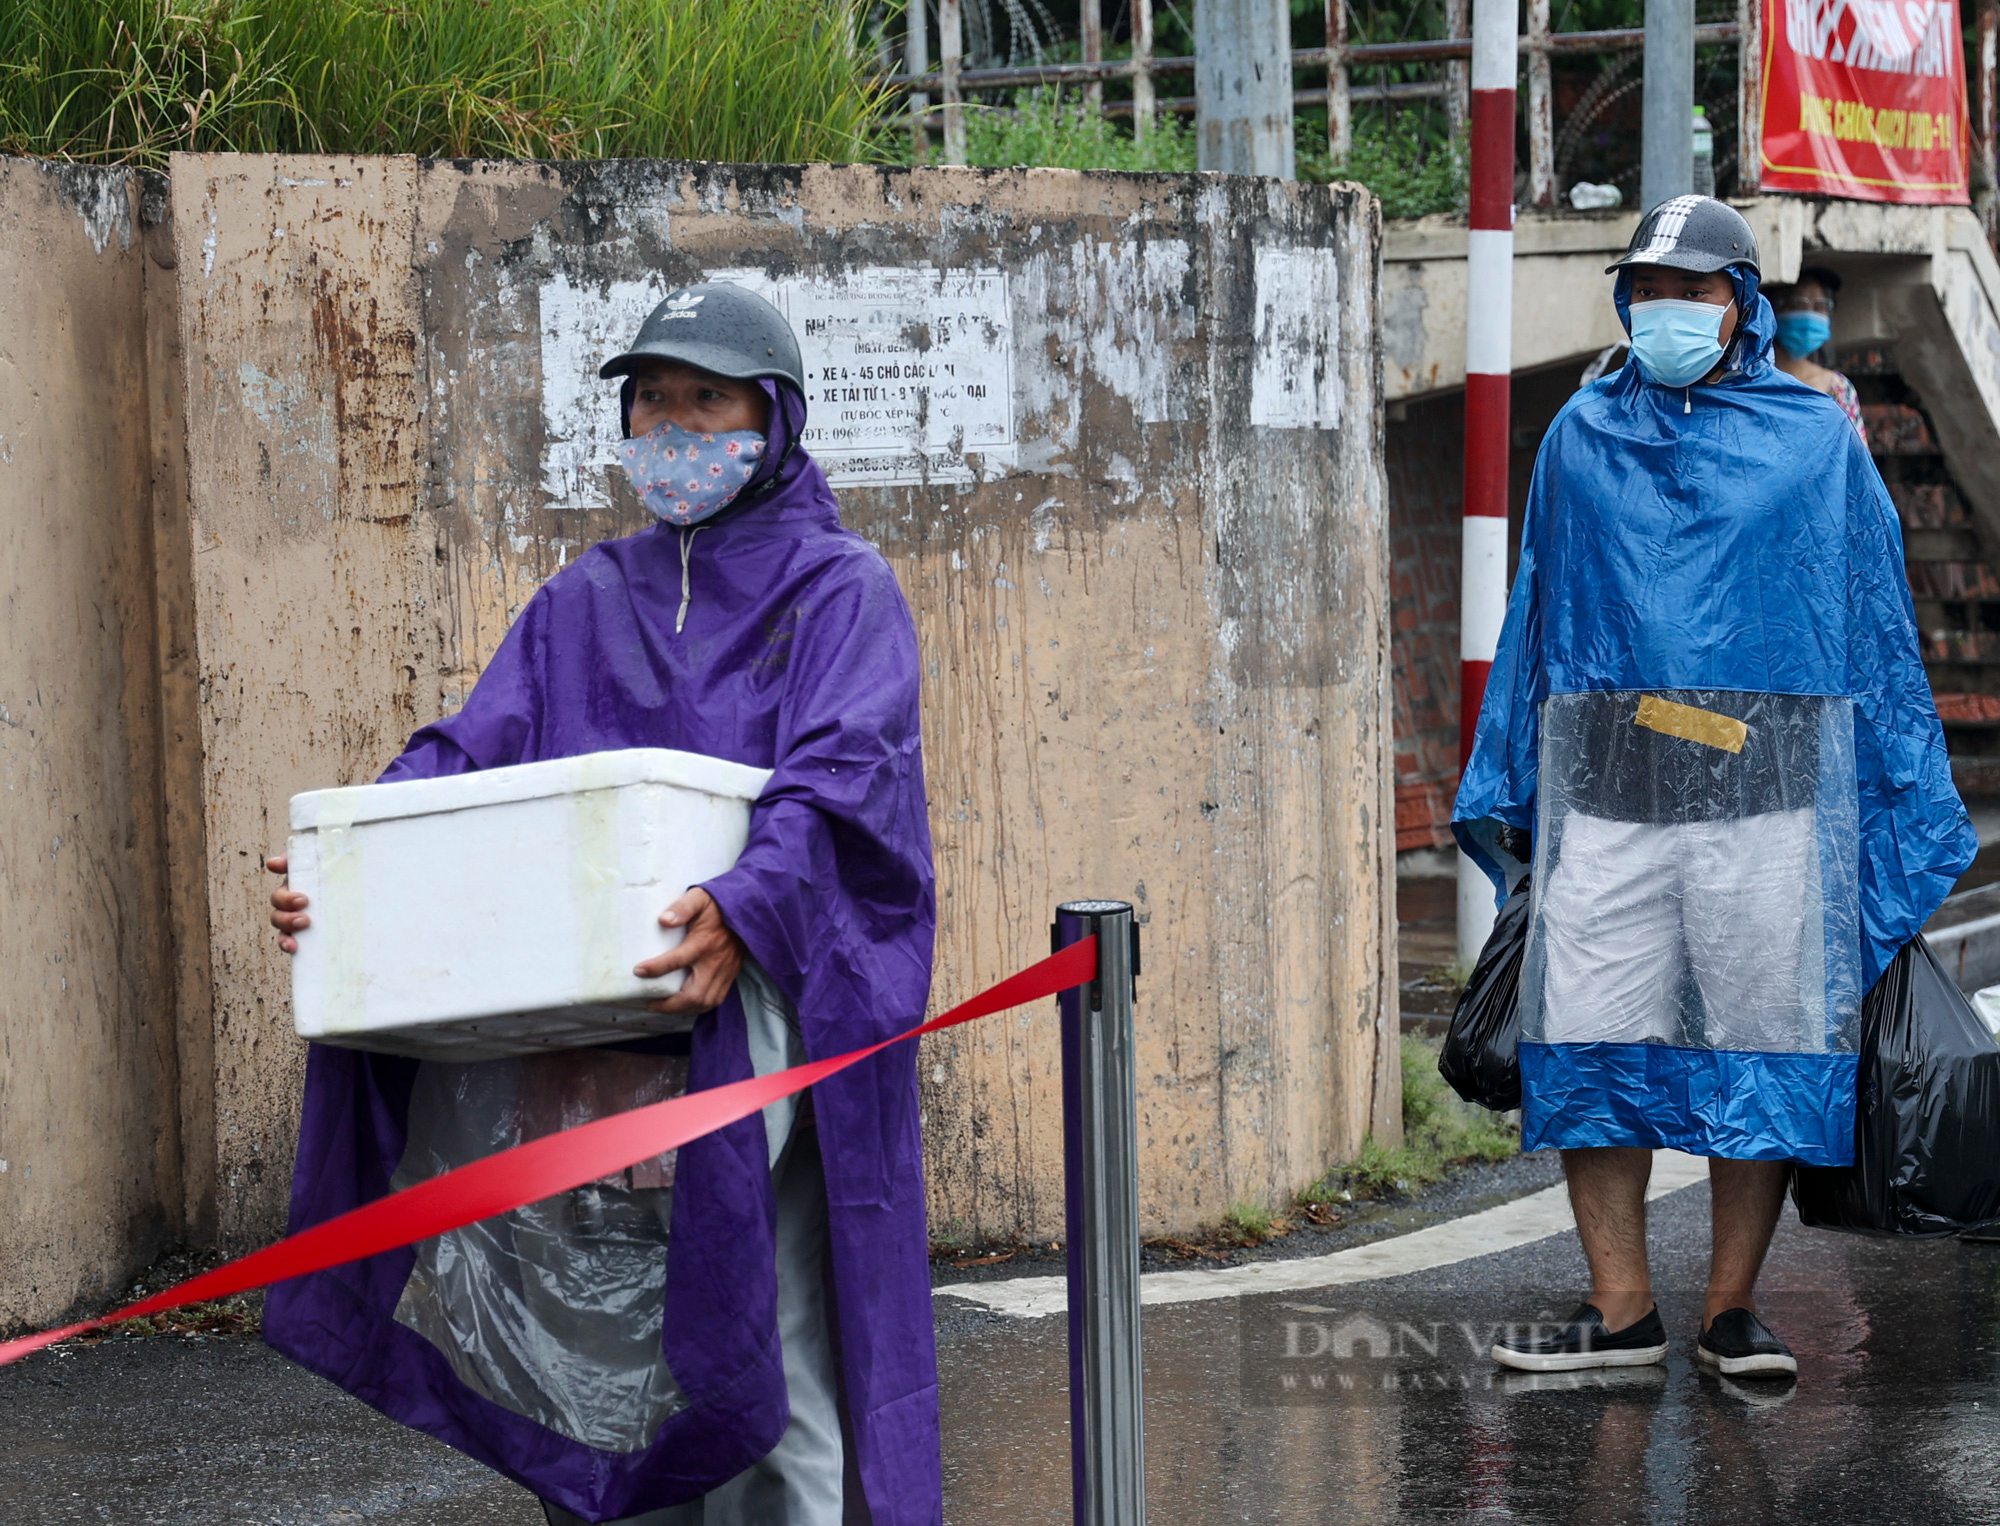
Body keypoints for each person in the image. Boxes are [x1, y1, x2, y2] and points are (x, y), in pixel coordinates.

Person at [262, 284, 941, 1524]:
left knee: (764, 1340)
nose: (673, 426)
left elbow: (844, 778)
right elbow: (465, 757)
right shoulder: (586, 597)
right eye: (651, 399)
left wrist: (747, 906)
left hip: (748, 1022)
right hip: (591, 1038)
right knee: (615, 1361)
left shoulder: (842, 590)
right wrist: (347, 867)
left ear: (772, 417)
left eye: (706, 398)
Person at [1455, 197, 1973, 1382]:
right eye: (1647, 287)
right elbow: (1538, 611)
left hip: (1765, 800)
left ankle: (1728, 1306)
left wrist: (1889, 786)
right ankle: (1620, 1308)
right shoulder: (1580, 436)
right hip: (1610, 794)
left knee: (1765, 1048)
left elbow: (1867, 614)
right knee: (1586, 1045)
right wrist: (1513, 782)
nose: (1667, 308)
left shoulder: (1812, 440)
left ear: (1740, 303)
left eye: (1692, 289)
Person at [1765, 265, 1867, 440]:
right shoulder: (1751, 381)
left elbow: (1855, 459)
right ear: (1774, 309)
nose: (1809, 314)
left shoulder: (1839, 389)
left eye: (1820, 306)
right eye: (1798, 304)